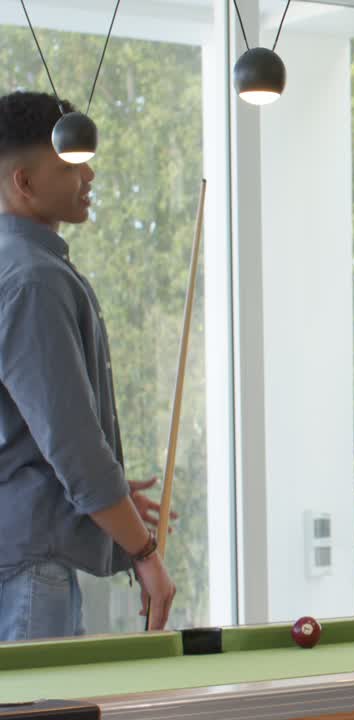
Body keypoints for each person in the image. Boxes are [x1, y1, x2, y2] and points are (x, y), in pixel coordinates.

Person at [0, 91, 177, 640]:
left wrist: (114, 495)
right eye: (72, 165)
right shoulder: (33, 278)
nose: (90, 174)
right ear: (24, 183)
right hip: (27, 564)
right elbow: (72, 444)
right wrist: (143, 552)